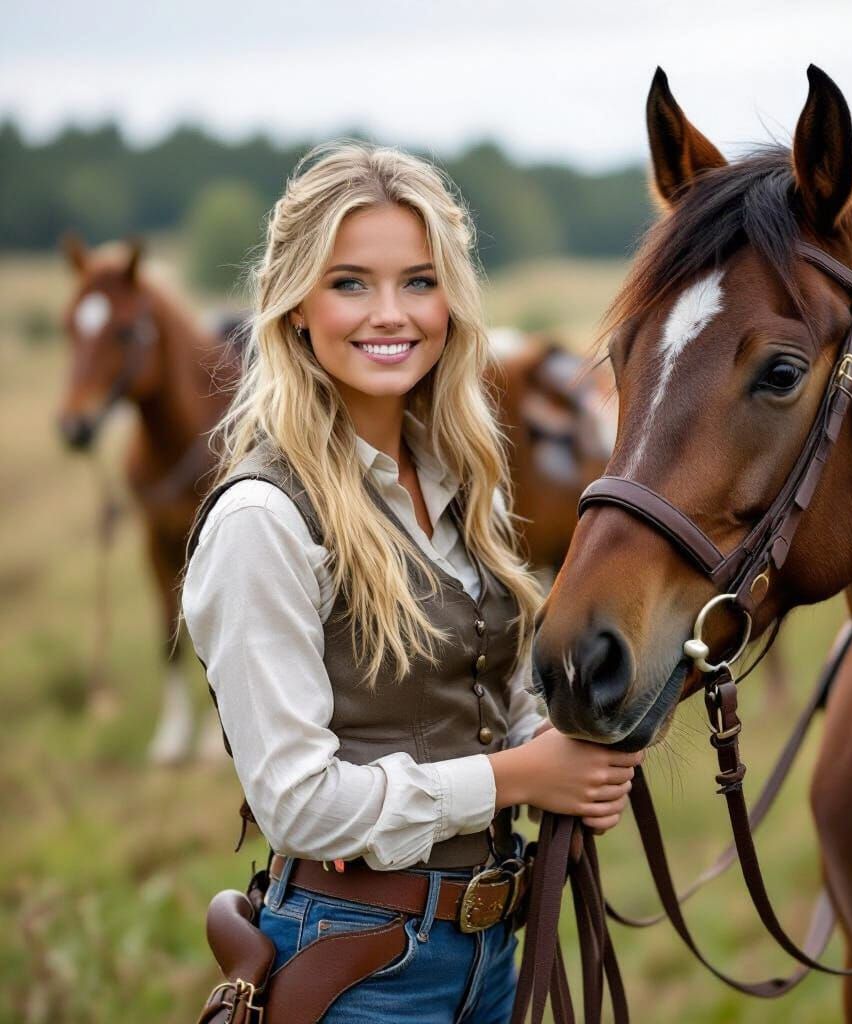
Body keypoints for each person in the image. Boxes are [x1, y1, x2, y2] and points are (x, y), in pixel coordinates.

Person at [181, 141, 643, 1024]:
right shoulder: (264, 520)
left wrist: (574, 749)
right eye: (350, 282)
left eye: (419, 282)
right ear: (295, 306)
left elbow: (499, 696)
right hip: (355, 965)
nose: (390, 314)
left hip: (493, 957)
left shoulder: (466, 479)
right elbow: (302, 804)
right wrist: (519, 776)